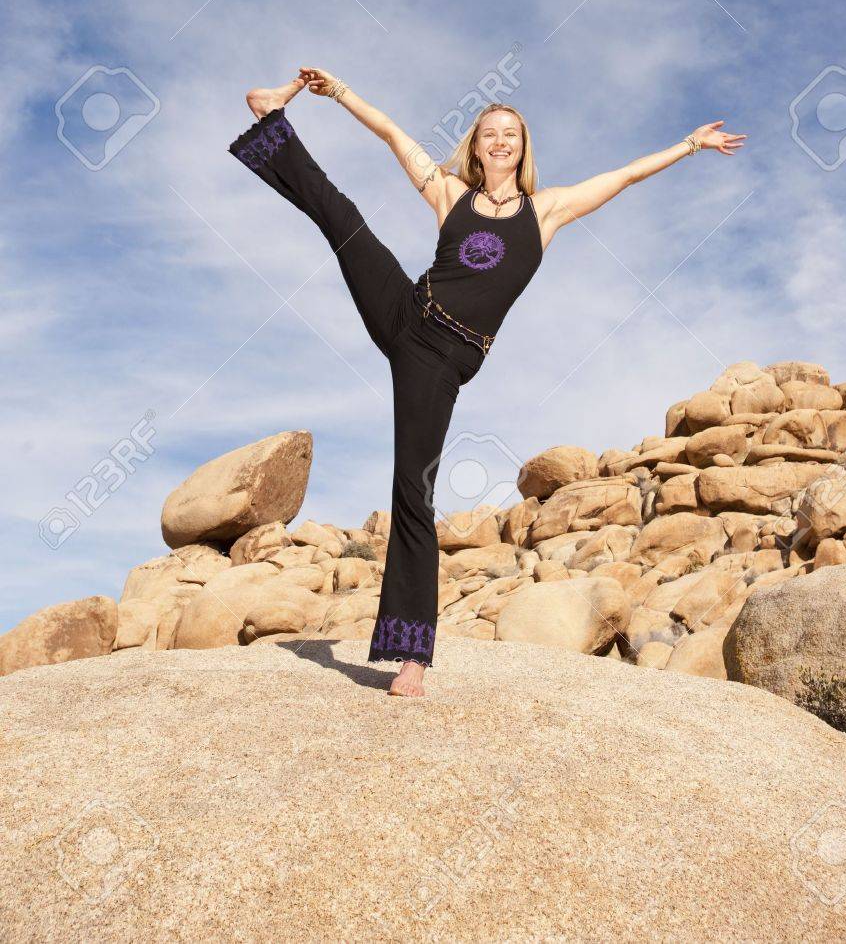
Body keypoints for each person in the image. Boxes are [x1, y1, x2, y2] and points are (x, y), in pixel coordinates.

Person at [228, 68, 746, 696]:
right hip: (405, 311)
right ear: (475, 145)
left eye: (512, 134)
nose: (500, 141)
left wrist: (690, 145)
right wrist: (338, 94)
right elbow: (393, 134)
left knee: (411, 492)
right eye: (490, 132)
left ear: (523, 148)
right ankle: (269, 122)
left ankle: (410, 655)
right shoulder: (449, 195)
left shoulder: (545, 212)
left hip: (441, 360)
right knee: (343, 219)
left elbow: (626, 175)